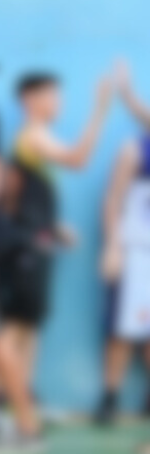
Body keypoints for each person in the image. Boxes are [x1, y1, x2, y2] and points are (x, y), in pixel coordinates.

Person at [1, 71, 111, 446]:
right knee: (12, 334)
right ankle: (27, 421)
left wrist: (52, 227)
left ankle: (20, 412)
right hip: (25, 249)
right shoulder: (34, 135)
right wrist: (99, 108)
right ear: (32, 100)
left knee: (28, 332)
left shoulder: (31, 142)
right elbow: (78, 159)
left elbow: (26, 195)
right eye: (52, 96)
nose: (58, 103)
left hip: (35, 243)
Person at [95, 124, 150, 422]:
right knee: (121, 328)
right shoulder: (135, 150)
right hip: (135, 253)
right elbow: (113, 199)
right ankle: (110, 395)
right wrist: (113, 247)